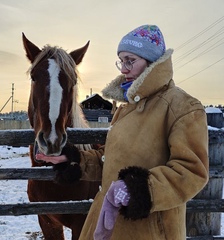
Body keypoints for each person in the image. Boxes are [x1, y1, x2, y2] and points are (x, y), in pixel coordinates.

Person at [38, 24, 209, 240]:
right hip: (110, 225)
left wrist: (138, 189)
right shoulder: (125, 108)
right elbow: (111, 160)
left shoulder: (182, 107)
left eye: (131, 61)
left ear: (153, 63)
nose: (123, 69)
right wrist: (75, 161)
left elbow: (191, 172)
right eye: (122, 60)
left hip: (149, 230)